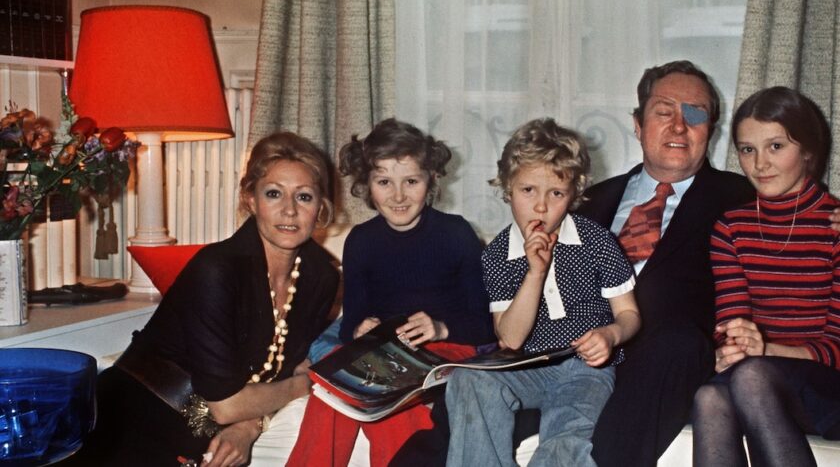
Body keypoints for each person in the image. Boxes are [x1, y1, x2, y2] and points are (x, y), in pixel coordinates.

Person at [66, 132, 339, 467]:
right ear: (250, 199)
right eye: (273, 194)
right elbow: (228, 403)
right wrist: (303, 386)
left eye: (305, 197)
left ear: (320, 207)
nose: (289, 210)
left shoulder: (320, 276)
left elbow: (287, 367)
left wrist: (248, 427)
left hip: (203, 431)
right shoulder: (217, 268)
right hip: (131, 420)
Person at [576, 60, 757, 467]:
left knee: (680, 343)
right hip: (579, 351)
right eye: (664, 112)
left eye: (695, 114)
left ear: (709, 130)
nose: (679, 126)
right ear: (638, 125)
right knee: (474, 385)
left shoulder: (743, 198)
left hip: (668, 358)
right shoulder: (584, 202)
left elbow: (799, 236)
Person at [288, 118, 495, 467]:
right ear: (367, 185)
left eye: (411, 181)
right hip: (389, 355)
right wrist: (359, 329)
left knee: (390, 390)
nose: (398, 196)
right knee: (333, 391)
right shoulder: (361, 242)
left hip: (449, 350)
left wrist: (440, 328)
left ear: (431, 181)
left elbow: (485, 328)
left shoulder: (456, 234)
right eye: (384, 182)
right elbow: (351, 320)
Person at [445, 118, 641, 466]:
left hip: (586, 367)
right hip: (527, 364)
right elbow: (511, 339)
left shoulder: (596, 241)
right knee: (468, 380)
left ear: (574, 195)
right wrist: (535, 272)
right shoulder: (498, 253)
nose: (540, 206)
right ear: (507, 188)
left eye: (556, 193)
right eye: (528, 190)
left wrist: (611, 334)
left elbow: (629, 315)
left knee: (566, 436)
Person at [692, 86, 840, 466]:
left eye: (776, 146)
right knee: (708, 397)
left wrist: (763, 352)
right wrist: (731, 348)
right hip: (757, 376)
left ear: (807, 150)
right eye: (747, 149)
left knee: (751, 378)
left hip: (827, 384)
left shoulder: (835, 227)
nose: (760, 164)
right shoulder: (731, 229)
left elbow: (837, 349)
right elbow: (731, 323)